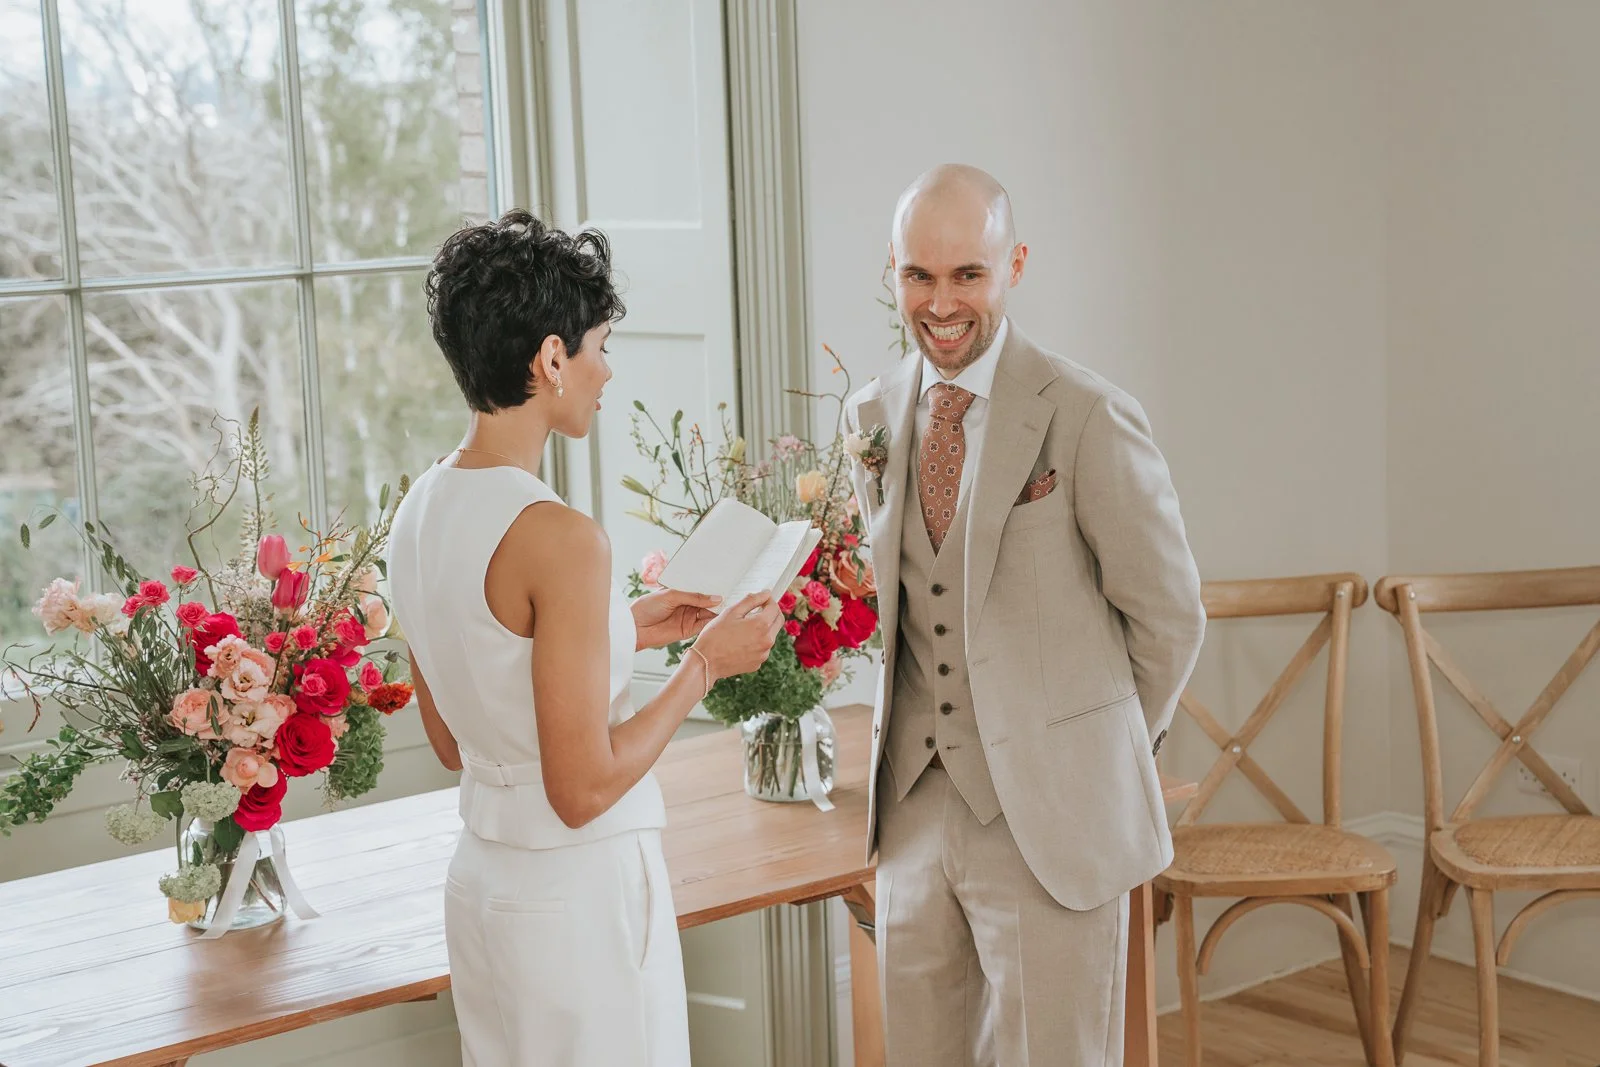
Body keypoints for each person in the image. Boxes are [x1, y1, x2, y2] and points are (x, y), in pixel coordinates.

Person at [387, 210, 782, 1066]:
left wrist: (629, 623)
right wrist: (707, 662)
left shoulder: (417, 512)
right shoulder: (559, 537)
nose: (607, 371)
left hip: (484, 887)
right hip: (577, 894)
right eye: (600, 344)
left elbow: (458, 734)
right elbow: (582, 789)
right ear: (552, 358)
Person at [844, 165, 1206, 1066]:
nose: (941, 302)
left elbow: (1170, 618)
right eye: (918, 275)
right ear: (891, 273)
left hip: (1053, 820)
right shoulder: (873, 416)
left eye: (968, 273)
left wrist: (1090, 750)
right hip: (914, 816)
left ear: (1015, 265)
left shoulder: (1085, 415)